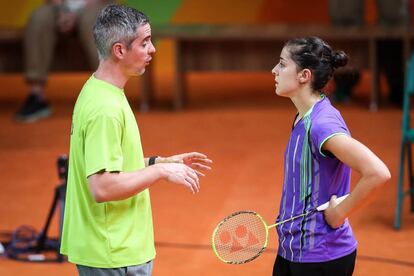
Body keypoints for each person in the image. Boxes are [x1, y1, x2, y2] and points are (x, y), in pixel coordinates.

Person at [60, 4, 212, 275]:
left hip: (112, 249)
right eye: (145, 42)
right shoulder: (105, 109)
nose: (153, 49)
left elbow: (108, 163)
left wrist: (159, 161)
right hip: (114, 253)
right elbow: (103, 186)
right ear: (120, 50)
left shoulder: (99, 90)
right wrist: (160, 171)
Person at [271, 37, 391, 276]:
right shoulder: (304, 116)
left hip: (320, 256)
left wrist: (339, 212)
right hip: (293, 249)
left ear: (304, 75)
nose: (274, 70)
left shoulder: (321, 125)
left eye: (282, 64)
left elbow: (378, 173)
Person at [15, 0, 112, 122]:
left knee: (95, 22)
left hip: (95, 4)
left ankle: (107, 92)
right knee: (39, 18)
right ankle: (37, 95)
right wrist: (62, 9)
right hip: (60, 5)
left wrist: (77, 12)